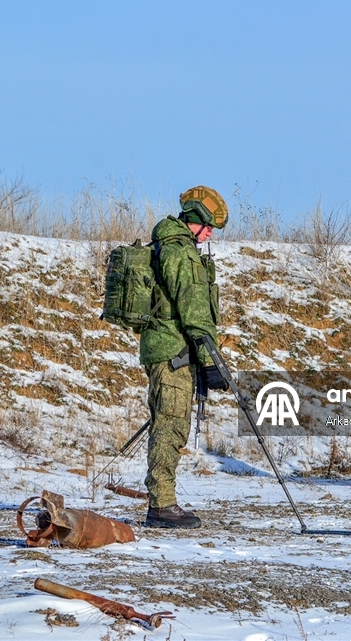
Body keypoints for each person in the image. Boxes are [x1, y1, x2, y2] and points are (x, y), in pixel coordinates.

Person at [139, 186, 230, 528]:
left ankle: (161, 501)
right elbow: (195, 312)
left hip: (167, 349)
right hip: (171, 352)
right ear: (195, 219)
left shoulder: (170, 245)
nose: (210, 234)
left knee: (169, 422)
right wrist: (210, 360)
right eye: (208, 227)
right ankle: (161, 505)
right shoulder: (180, 251)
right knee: (170, 426)